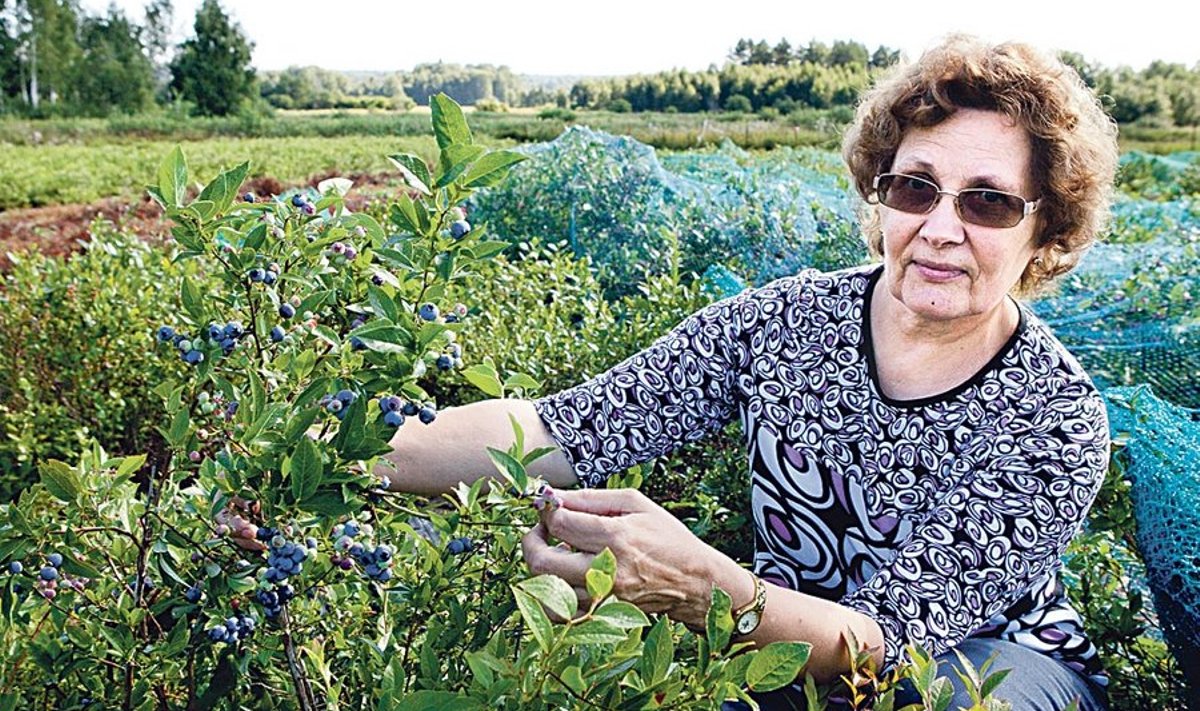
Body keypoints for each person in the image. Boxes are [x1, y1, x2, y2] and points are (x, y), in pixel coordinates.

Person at [378, 34, 1119, 710]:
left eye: (988, 202)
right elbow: (561, 428)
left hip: (991, 665)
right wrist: (333, 451)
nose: (941, 228)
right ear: (881, 194)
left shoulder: (1054, 415)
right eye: (915, 187)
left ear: (1045, 227)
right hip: (782, 639)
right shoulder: (786, 325)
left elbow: (886, 640)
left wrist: (707, 590)